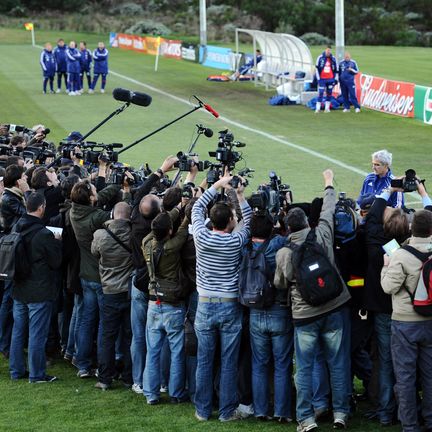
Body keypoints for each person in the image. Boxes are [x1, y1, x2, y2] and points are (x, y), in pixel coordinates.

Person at [274, 169, 352, 431]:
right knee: (338, 362)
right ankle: (341, 412)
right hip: (334, 305)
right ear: (308, 221)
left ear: (287, 227)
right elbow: (328, 211)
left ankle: (306, 418)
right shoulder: (322, 235)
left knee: (305, 368)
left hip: (305, 314)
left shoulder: (284, 252)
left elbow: (280, 283)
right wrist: (328, 184)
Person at [192, 174, 252, 422]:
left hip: (205, 305)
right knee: (228, 361)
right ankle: (227, 411)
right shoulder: (236, 241)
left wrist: (216, 185)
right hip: (229, 306)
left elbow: (196, 207)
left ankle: (203, 411)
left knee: (205, 361)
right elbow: (248, 220)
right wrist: (239, 195)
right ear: (229, 222)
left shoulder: (201, 237)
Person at [69, 167, 130, 379]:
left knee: (86, 319)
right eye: (94, 191)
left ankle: (83, 363)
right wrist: (126, 191)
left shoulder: (74, 210)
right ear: (91, 199)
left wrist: (114, 184)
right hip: (103, 278)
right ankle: (110, 363)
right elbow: (119, 218)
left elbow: (97, 197)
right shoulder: (97, 217)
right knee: (106, 325)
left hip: (86, 275)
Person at [381, 190, 432, 432]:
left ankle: (410, 425)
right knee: (430, 376)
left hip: (404, 322)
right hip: (429, 320)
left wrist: (385, 267)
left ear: (411, 229)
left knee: (405, 377)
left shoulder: (400, 254)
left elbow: (388, 287)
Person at [9, 192, 62, 383]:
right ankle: (37, 374)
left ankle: (16, 371)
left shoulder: (17, 227)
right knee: (37, 335)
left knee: (18, 331)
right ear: (41, 208)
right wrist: (57, 243)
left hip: (19, 287)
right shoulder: (44, 234)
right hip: (38, 290)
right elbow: (56, 262)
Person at [247, 214, 293, 422]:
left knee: (260, 364)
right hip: (278, 309)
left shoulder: (244, 248)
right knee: (282, 364)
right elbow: (289, 237)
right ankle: (282, 412)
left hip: (255, 310)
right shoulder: (278, 245)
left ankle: (261, 410)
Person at [142, 209, 190, 404]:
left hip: (154, 301)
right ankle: (176, 392)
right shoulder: (172, 246)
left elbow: (157, 228)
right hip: (172, 302)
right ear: (169, 230)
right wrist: (184, 211)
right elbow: (184, 229)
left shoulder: (146, 244)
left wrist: (171, 211)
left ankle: (151, 394)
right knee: (177, 350)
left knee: (152, 351)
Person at [92, 202, 134, 390]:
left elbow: (95, 252)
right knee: (128, 335)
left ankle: (105, 377)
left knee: (108, 336)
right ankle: (127, 376)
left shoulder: (100, 235)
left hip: (109, 290)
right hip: (127, 291)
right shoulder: (133, 234)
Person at [314, 46, 338, 113]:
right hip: (322, 79)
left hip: (330, 79)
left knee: (329, 93)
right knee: (321, 93)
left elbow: (336, 69)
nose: (328, 52)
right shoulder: (320, 57)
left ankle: (327, 108)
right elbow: (316, 68)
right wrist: (318, 79)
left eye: (329, 51)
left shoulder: (333, 58)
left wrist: (335, 79)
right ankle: (317, 108)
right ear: (325, 50)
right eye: (327, 51)